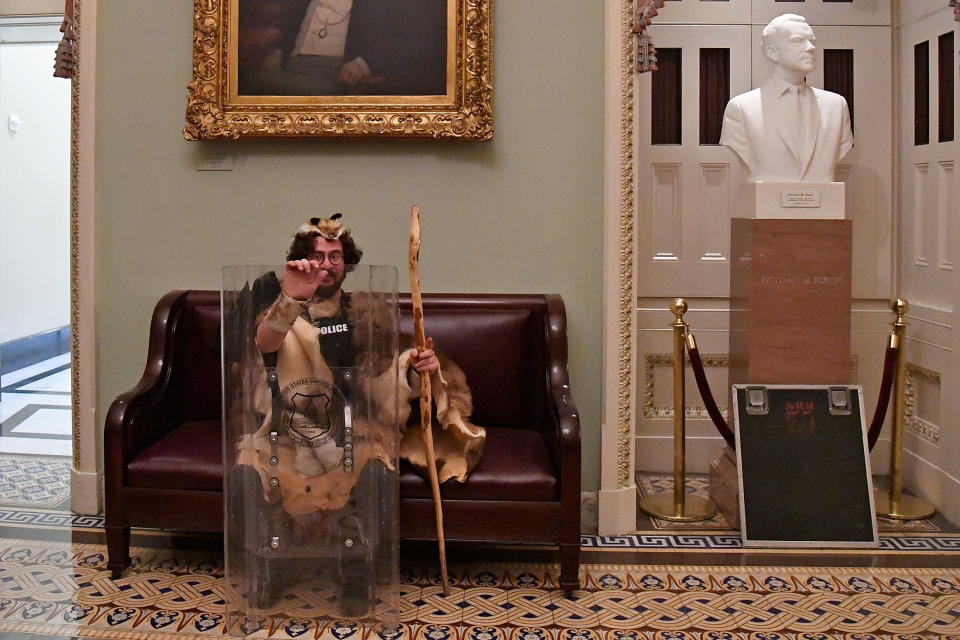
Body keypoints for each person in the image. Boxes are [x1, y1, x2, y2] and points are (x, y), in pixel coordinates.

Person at [720, 14, 854, 184]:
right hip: (767, 205)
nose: (810, 48)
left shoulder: (836, 106)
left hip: (822, 205)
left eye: (812, 41)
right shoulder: (741, 108)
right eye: (798, 41)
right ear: (772, 52)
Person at [238, 0, 447, 96]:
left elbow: (415, 42)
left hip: (334, 79)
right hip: (289, 69)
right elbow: (291, 26)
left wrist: (365, 64)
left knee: (248, 82)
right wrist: (279, 51)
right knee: (249, 80)